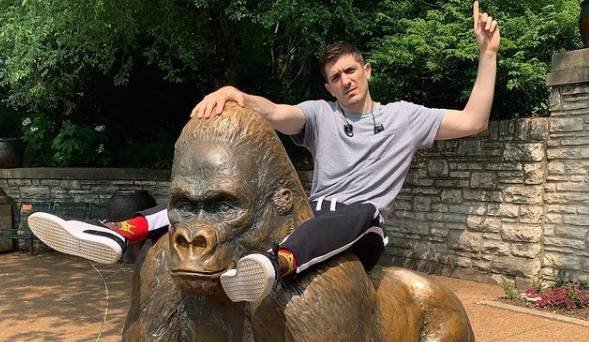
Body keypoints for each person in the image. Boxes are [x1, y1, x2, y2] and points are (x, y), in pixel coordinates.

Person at [28, 1, 500, 302]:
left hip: (360, 229)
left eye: (352, 71)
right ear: (329, 86)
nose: (346, 81)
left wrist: (488, 54)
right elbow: (274, 113)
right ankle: (120, 232)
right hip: (309, 214)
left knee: (365, 213)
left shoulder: (405, 117)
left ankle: (274, 266)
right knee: (228, 206)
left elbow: (474, 120)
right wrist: (236, 93)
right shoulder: (320, 114)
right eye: (336, 77)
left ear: (367, 70)